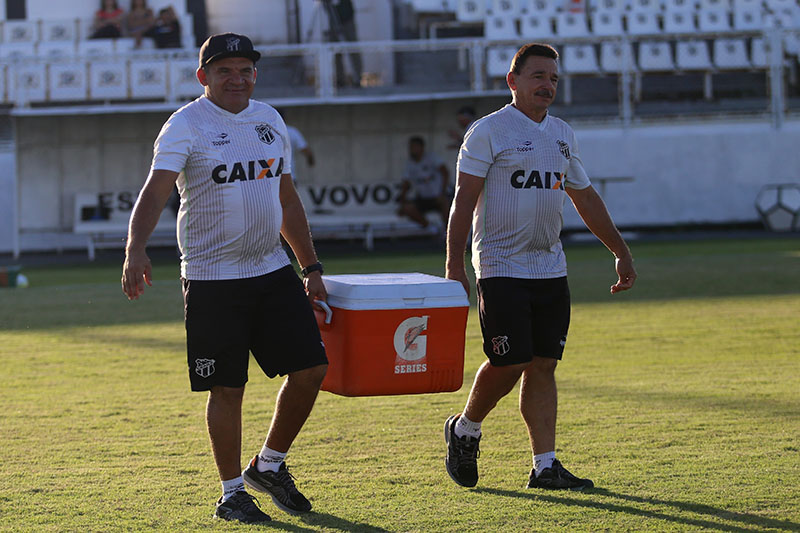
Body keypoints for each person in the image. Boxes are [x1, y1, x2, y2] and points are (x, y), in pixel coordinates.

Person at [121, 33, 329, 524]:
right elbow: (154, 193)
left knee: (312, 370)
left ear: (255, 74)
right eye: (224, 70)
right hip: (213, 279)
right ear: (204, 77)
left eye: (245, 69)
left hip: (272, 269)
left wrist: (311, 266)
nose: (237, 79)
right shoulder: (185, 124)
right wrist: (135, 249)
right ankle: (232, 491)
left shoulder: (270, 120)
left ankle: (270, 466)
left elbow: (288, 200)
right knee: (228, 389)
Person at [443, 43, 636, 491]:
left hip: (549, 266)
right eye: (538, 76)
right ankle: (465, 428)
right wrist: (455, 266)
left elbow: (584, 197)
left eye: (553, 78)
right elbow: (462, 202)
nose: (547, 85)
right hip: (499, 264)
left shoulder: (563, 134)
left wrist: (620, 250)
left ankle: (544, 465)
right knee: (509, 363)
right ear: (513, 81)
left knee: (544, 364)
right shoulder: (488, 131)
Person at [397, 136, 449, 229]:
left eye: (414, 147)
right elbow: (406, 183)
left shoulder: (432, 158)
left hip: (437, 196)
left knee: (446, 204)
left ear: (421, 147)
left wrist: (442, 192)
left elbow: (445, 172)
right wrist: (402, 201)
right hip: (423, 198)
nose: (412, 150)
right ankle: (430, 228)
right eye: (411, 147)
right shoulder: (410, 164)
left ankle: (448, 232)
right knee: (407, 209)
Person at [325, 0, 362, 87]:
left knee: (353, 49)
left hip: (347, 17)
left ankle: (357, 79)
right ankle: (339, 79)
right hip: (333, 19)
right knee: (335, 51)